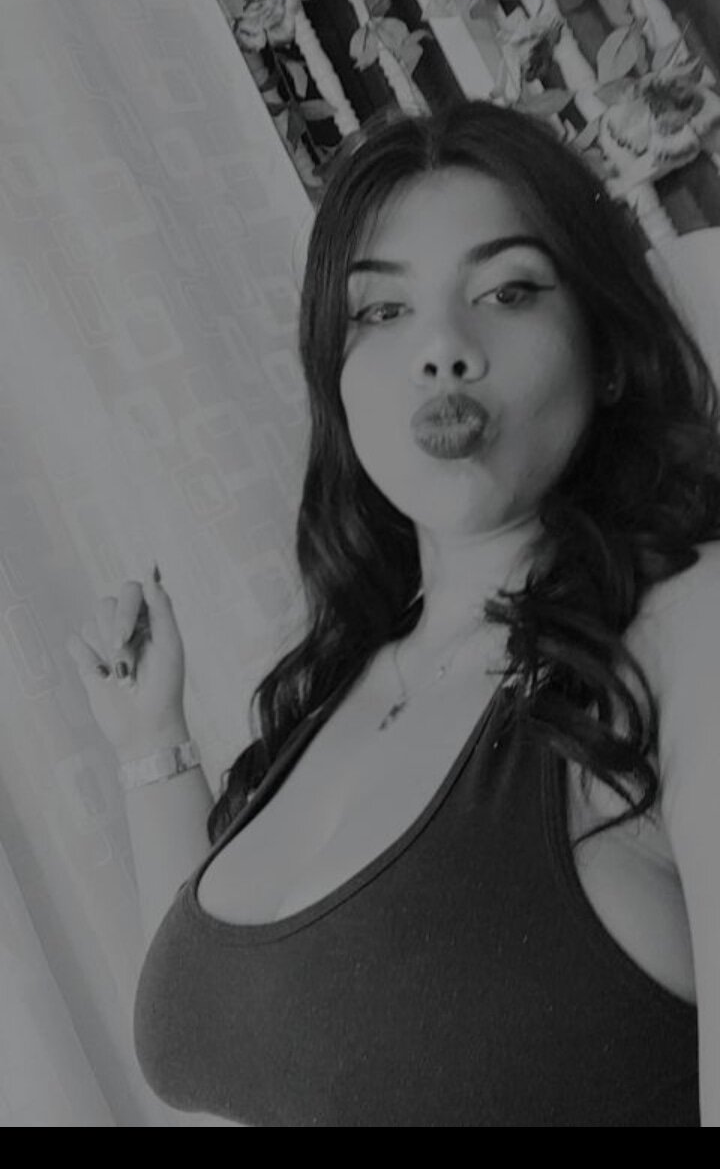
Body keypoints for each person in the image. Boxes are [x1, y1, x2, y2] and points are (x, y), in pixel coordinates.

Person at [68, 99, 720, 1127]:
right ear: (337, 379)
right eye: (382, 311)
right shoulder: (344, 681)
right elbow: (234, 1053)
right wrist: (151, 746)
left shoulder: (690, 630)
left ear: (604, 349)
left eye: (508, 291)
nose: (443, 349)